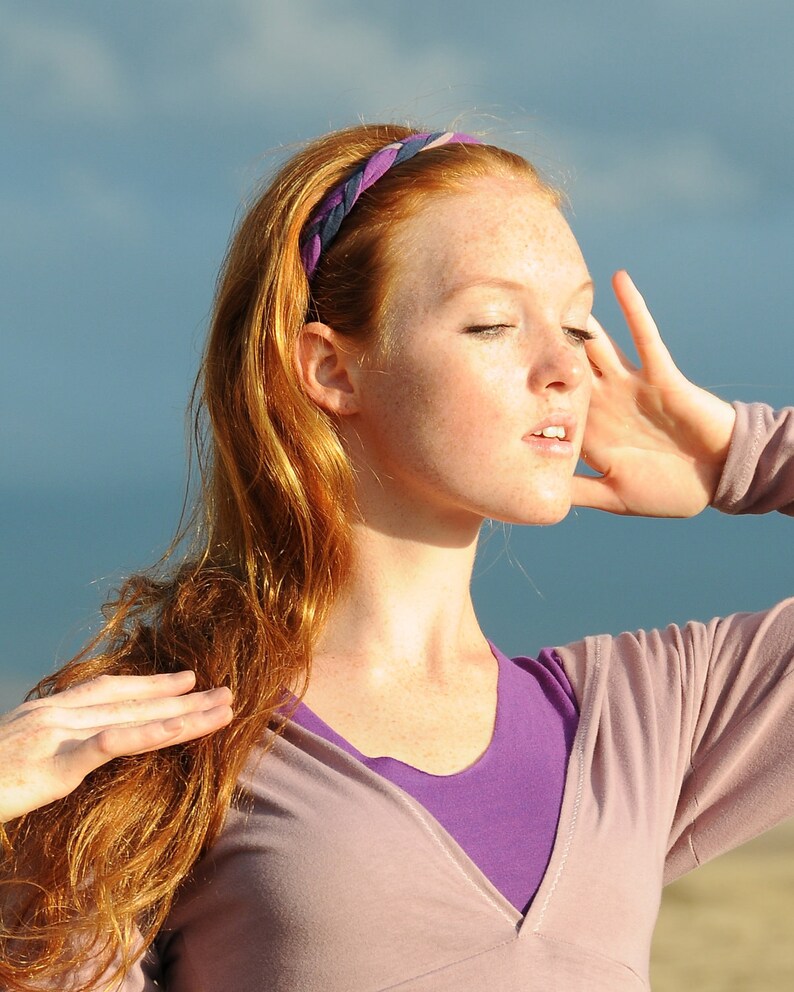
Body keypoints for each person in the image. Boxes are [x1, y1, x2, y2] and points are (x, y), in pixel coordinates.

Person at [1, 123, 792, 992]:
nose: (566, 366)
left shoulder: (646, 719)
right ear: (332, 369)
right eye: (493, 323)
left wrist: (737, 456)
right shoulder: (152, 742)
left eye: (576, 323)